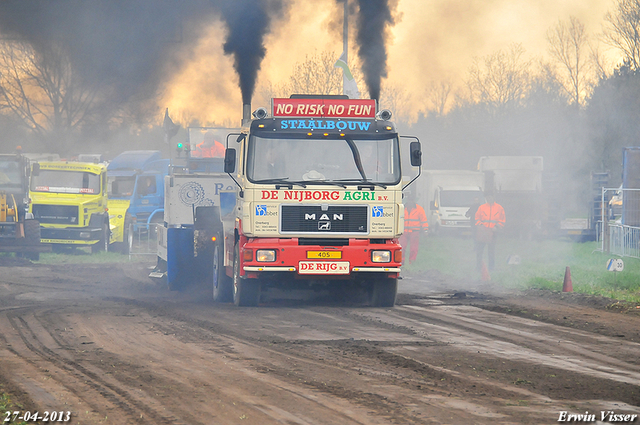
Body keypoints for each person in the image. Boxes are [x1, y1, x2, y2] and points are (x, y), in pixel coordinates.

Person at [474, 192, 505, 271]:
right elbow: (477, 218)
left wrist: (497, 227)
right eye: (487, 197)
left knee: (491, 252)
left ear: (493, 197)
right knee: (479, 251)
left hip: (493, 233)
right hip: (483, 233)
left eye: (490, 197)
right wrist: (481, 225)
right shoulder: (481, 207)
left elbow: (502, 220)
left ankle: (491, 268)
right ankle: (478, 268)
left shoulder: (499, 208)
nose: (489, 199)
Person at [400, 194, 428, 265]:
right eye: (409, 200)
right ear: (407, 200)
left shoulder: (419, 209)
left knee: (413, 248)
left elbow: (423, 220)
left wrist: (425, 230)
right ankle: (401, 262)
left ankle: (412, 262)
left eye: (411, 200)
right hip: (403, 232)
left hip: (414, 232)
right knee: (402, 247)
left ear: (413, 201)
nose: (410, 202)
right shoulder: (402, 208)